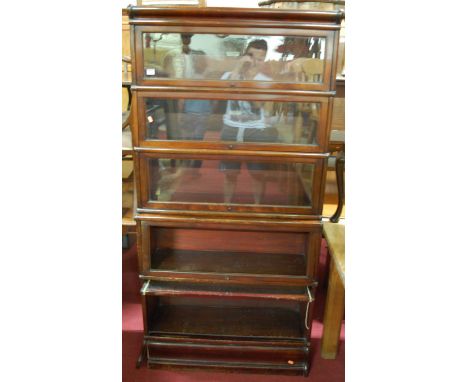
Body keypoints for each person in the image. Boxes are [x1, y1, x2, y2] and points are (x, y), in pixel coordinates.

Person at [219, 39, 278, 204]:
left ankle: (258, 206)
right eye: (251, 56)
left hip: (255, 130)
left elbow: (258, 103)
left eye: (260, 59)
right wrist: (238, 68)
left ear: (264, 60)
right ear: (245, 56)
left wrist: (248, 79)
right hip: (231, 128)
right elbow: (222, 93)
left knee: (258, 174)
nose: (254, 62)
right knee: (229, 174)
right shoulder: (230, 75)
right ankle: (226, 206)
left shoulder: (265, 81)